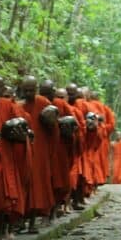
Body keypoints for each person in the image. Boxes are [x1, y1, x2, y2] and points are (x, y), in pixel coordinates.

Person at [0, 74, 31, 240]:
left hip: (5, 155)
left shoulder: (8, 106)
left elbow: (21, 130)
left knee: (4, 196)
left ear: (1, 89)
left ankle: (1, 228)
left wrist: (18, 135)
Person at [18, 76, 56, 232]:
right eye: (25, 90)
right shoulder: (19, 106)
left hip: (40, 150)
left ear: (36, 90)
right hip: (25, 150)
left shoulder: (44, 104)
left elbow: (54, 127)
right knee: (24, 185)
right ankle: (22, 220)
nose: (28, 93)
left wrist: (50, 122)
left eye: (31, 90)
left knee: (38, 186)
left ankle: (35, 220)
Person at [40, 79, 76, 215]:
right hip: (41, 149)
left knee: (58, 181)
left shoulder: (60, 105)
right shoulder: (39, 103)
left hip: (59, 148)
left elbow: (73, 127)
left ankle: (55, 209)